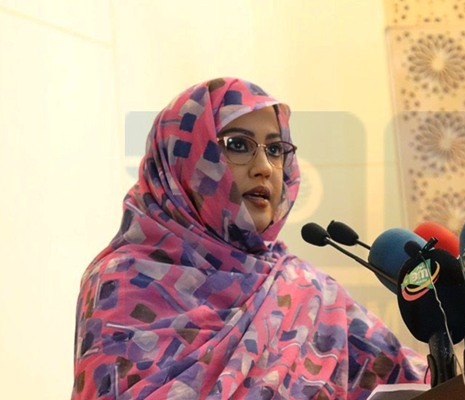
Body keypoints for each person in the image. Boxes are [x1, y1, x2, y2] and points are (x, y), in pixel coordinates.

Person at [72, 77, 428, 399]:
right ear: (182, 159)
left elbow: (420, 382)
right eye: (238, 145)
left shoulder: (308, 291)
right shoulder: (122, 282)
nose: (265, 168)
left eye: (275, 149)